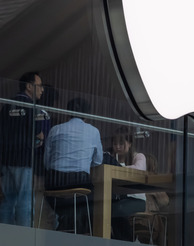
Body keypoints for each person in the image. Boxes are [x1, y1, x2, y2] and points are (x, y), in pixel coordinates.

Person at [43, 97, 103, 232]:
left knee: (70, 209)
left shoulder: (55, 129)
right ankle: (73, 231)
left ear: (68, 112)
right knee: (94, 200)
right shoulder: (93, 131)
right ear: (86, 114)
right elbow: (98, 160)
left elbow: (46, 161)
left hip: (54, 182)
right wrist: (85, 161)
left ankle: (65, 226)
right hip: (79, 182)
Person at [0, 71, 46, 226]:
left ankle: (5, 236)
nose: (42, 90)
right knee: (25, 201)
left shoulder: (7, 105)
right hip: (24, 159)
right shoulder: (31, 107)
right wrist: (39, 138)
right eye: (39, 86)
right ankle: (24, 238)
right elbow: (39, 134)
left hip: (6, 161)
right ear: (29, 86)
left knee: (8, 201)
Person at [111, 126, 148, 241]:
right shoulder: (112, 158)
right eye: (115, 143)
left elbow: (139, 169)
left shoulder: (138, 156)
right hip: (118, 199)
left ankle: (127, 240)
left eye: (121, 143)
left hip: (137, 200)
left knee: (116, 210)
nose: (117, 146)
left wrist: (116, 167)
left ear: (130, 143)